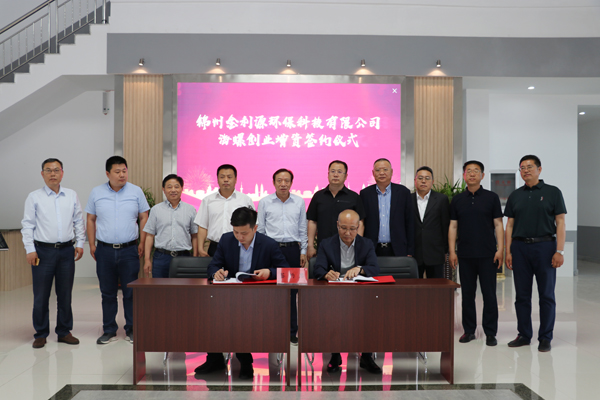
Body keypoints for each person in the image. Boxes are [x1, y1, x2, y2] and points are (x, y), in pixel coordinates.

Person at [195, 207, 289, 379]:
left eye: (244, 233)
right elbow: (213, 265)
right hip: (231, 295)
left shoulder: (268, 244)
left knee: (241, 317)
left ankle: (245, 362)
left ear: (255, 228)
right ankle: (214, 358)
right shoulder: (226, 240)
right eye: (236, 232)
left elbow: (285, 270)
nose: (239, 237)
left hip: (258, 298)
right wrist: (216, 273)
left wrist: (270, 272)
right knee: (209, 312)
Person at [21, 158, 86, 349]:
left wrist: (80, 243)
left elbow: (78, 221)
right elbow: (27, 225)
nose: (52, 174)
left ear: (62, 173)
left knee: (65, 294)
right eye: (48, 170)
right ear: (42, 174)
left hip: (66, 251)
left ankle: (64, 331)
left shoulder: (71, 195)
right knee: (41, 295)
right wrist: (30, 249)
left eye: (56, 170)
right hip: (42, 252)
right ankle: (41, 333)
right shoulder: (34, 197)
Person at [505, 155, 566, 352]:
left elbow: (560, 222)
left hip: (545, 247)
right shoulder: (515, 195)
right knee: (521, 296)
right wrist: (508, 251)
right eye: (522, 168)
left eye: (530, 167)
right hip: (520, 248)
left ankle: (545, 337)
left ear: (539, 169)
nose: (526, 170)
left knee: (546, 295)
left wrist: (559, 250)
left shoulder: (553, 192)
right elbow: (510, 225)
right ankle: (524, 334)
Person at [85, 156, 150, 345]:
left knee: (131, 292)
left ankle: (132, 329)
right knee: (107, 292)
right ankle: (109, 330)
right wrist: (91, 244)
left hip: (129, 249)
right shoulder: (96, 192)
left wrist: (142, 241)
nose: (122, 175)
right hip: (104, 250)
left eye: (124, 171)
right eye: (117, 171)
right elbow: (90, 219)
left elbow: (144, 217)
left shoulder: (136, 191)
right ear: (108, 173)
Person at [313, 209, 381, 374]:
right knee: (333, 315)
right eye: (343, 228)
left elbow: (374, 268)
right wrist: (326, 274)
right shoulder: (327, 244)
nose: (347, 233)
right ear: (337, 225)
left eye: (352, 229)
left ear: (358, 227)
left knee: (370, 315)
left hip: (360, 294)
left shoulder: (366, 244)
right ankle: (335, 355)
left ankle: (367, 356)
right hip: (335, 294)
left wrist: (360, 269)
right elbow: (318, 268)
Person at [449, 161, 503, 347]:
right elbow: (453, 226)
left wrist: (501, 249)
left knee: (489, 295)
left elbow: (498, 224)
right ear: (464, 175)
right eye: (469, 171)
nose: (472, 174)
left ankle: (490, 332)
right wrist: (452, 251)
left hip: (488, 254)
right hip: (465, 254)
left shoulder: (491, 197)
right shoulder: (457, 199)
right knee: (467, 295)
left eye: (476, 171)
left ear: (482, 175)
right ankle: (469, 330)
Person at [257, 168, 307, 345]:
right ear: (274, 182)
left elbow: (302, 228)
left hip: (293, 250)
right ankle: (271, 329)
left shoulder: (299, 202)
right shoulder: (264, 202)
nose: (283, 184)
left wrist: (303, 251)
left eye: (286, 181)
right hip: (271, 249)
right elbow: (260, 229)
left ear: (291, 183)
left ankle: (292, 332)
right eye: (279, 180)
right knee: (270, 292)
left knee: (293, 292)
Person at [143, 174, 198, 277]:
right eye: (169, 187)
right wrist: (147, 260)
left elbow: (194, 235)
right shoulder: (156, 210)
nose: (173, 190)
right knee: (160, 287)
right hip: (161, 257)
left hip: (184, 257)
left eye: (176, 187)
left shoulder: (190, 210)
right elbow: (150, 235)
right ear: (163, 189)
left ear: (182, 188)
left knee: (184, 287)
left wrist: (194, 258)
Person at [307, 160, 365, 258]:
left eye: (339, 172)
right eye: (333, 171)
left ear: (346, 176)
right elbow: (312, 222)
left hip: (348, 248)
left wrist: (357, 245)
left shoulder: (354, 197)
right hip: (323, 247)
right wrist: (310, 246)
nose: (335, 175)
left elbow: (360, 223)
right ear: (328, 174)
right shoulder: (318, 196)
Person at [194, 164, 254, 257]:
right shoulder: (208, 200)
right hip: (215, 247)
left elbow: (252, 226)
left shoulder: (245, 200)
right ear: (217, 179)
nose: (226, 180)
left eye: (229, 177)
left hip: (240, 246)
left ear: (235, 179)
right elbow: (202, 226)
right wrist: (200, 249)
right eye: (222, 177)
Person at [360, 158, 414, 257]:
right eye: (378, 170)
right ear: (373, 173)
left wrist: (410, 251)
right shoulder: (365, 194)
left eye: (385, 169)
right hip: (372, 249)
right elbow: (362, 223)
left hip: (398, 249)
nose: (382, 173)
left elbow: (410, 222)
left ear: (391, 172)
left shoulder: (403, 192)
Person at [412, 166, 450, 278]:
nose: (423, 181)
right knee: (413, 286)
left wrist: (445, 250)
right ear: (415, 181)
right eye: (420, 178)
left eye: (427, 178)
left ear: (432, 181)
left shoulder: (441, 199)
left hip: (435, 253)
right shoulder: (408, 199)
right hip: (414, 254)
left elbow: (445, 226)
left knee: (436, 287)